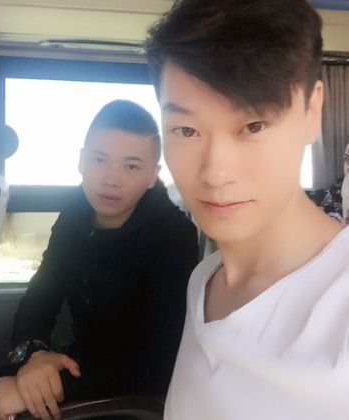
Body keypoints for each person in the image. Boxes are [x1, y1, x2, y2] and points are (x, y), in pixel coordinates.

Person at [0, 100, 198, 420]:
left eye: (131, 166)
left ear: (152, 176)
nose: (111, 179)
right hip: (73, 366)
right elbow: (39, 299)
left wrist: (38, 389)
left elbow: (160, 361)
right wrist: (32, 358)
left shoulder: (173, 236)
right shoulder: (75, 213)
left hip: (130, 393)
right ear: (81, 161)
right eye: (99, 159)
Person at [145, 1, 349, 419]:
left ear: (312, 111)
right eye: (186, 130)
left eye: (253, 126)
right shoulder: (204, 280)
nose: (215, 173)